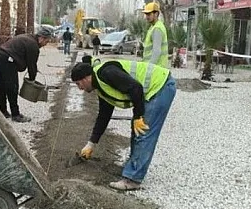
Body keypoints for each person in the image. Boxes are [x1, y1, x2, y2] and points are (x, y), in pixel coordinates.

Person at [71, 57, 176, 191]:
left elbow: (136, 88)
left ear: (86, 78)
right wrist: (91, 144)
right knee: (137, 129)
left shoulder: (106, 73)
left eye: (79, 84)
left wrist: (138, 116)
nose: (80, 88)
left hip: (160, 86)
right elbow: (104, 115)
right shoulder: (100, 86)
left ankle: (133, 179)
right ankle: (134, 166)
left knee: (143, 132)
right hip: (153, 89)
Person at [0, 27, 52, 122]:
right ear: (41, 38)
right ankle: (15, 114)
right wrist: (32, 80)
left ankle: (3, 111)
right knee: (12, 87)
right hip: (9, 60)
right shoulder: (33, 45)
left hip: (0, 55)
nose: (46, 44)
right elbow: (32, 65)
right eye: (46, 41)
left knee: (1, 86)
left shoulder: (28, 37)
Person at [141, 2, 169, 68]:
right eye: (146, 14)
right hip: (156, 67)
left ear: (156, 14)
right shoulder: (153, 27)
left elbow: (156, 51)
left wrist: (149, 67)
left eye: (149, 14)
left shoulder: (157, 29)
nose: (147, 16)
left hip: (156, 68)